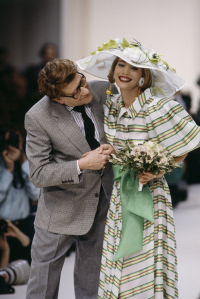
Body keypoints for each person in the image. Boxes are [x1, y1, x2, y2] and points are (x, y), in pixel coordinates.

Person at [77, 38, 200, 298]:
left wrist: (160, 169)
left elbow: (189, 140)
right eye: (121, 65)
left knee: (146, 257)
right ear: (113, 70)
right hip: (120, 196)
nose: (125, 71)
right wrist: (112, 151)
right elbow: (117, 145)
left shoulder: (158, 106)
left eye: (134, 68)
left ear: (144, 76)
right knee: (120, 259)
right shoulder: (111, 106)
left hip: (151, 195)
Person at [24, 58, 117, 299]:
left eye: (82, 81)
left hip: (101, 200)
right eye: (77, 91)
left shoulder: (101, 90)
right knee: (42, 285)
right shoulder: (37, 117)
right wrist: (82, 164)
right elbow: (38, 173)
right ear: (58, 99)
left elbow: (125, 129)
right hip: (60, 208)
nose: (86, 90)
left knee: (92, 281)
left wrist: (113, 148)